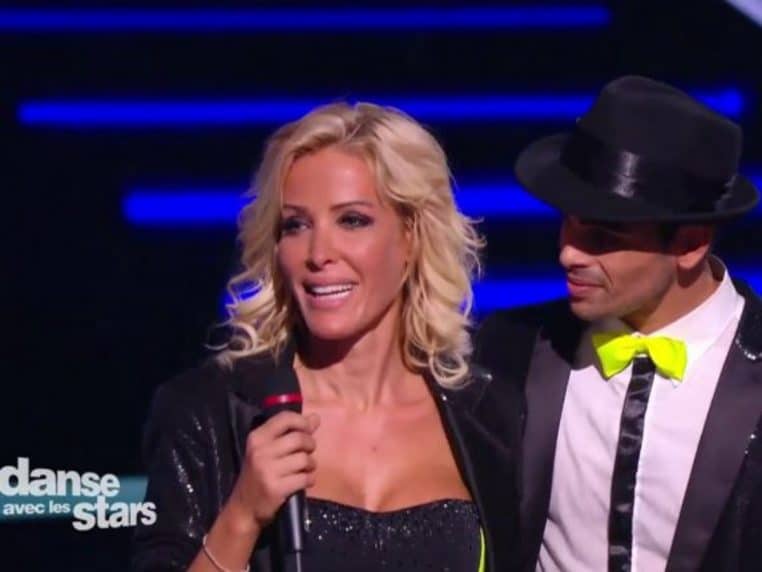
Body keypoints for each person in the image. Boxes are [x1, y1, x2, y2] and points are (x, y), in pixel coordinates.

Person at [130, 102, 522, 572]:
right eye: (296, 225)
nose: (318, 253)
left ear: (412, 235)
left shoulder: (488, 416)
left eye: (352, 220)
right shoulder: (206, 411)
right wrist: (243, 515)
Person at [474, 76, 762, 571]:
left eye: (603, 236)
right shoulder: (508, 350)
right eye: (568, 223)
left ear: (690, 244)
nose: (568, 254)